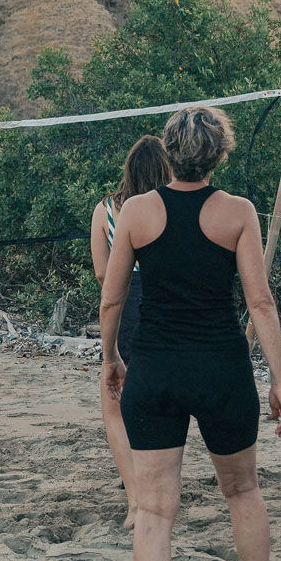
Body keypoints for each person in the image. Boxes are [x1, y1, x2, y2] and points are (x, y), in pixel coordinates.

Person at [100, 105, 281, 561]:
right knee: (243, 489)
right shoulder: (237, 213)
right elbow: (260, 300)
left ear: (169, 151)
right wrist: (279, 379)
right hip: (221, 369)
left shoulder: (136, 211)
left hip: (155, 367)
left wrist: (111, 356)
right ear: (219, 152)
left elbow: (112, 297)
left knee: (156, 508)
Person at [90, 135, 166, 528]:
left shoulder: (106, 209)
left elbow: (104, 274)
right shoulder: (173, 205)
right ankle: (152, 486)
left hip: (125, 300)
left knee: (115, 399)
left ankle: (136, 499)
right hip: (167, 299)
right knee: (159, 397)